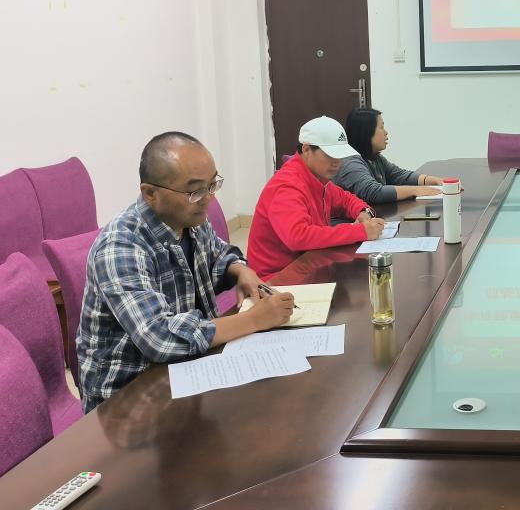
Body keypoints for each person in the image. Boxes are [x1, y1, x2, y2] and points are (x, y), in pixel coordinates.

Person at [78, 132, 294, 413]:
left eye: (212, 185)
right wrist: (255, 319)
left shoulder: (191, 220)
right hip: (128, 401)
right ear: (150, 193)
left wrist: (240, 271)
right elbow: (158, 337)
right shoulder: (121, 246)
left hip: (187, 371)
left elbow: (219, 256)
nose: (208, 199)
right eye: (195, 191)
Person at [247, 116, 387, 279]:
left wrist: (364, 212)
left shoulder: (318, 179)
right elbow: (298, 237)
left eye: (340, 155)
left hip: (308, 266)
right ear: (307, 149)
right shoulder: (287, 186)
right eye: (330, 155)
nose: (337, 162)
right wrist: (360, 231)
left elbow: (345, 199)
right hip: (275, 279)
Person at [334, 108, 443, 204]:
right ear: (366, 132)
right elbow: (374, 192)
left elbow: (399, 176)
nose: (386, 132)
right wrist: (416, 190)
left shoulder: (375, 158)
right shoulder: (350, 163)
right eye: (381, 127)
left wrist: (435, 180)